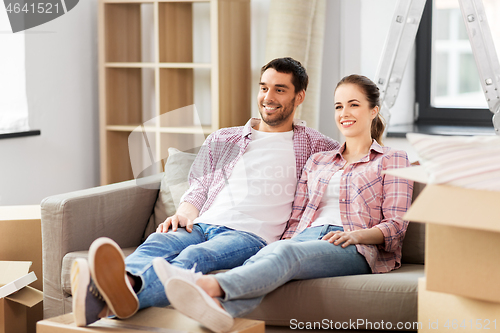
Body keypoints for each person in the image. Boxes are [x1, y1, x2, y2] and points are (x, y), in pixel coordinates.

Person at [70, 57, 340, 326]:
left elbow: (360, 166)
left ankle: (109, 297)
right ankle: (120, 289)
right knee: (157, 243)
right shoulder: (224, 138)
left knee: (194, 257)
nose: (268, 97)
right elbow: (199, 185)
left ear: (299, 96)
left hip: (251, 235)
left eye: (280, 89)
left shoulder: (318, 146)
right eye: (263, 87)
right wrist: (184, 213)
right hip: (202, 223)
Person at [158, 74, 414, 333]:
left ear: (374, 110)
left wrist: (356, 235)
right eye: (338, 106)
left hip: (355, 245)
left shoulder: (393, 159)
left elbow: (396, 226)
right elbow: (297, 217)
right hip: (309, 235)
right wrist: (282, 240)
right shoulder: (319, 160)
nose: (344, 112)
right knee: (268, 255)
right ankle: (222, 310)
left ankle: (208, 287)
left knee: (285, 253)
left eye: (354, 104)